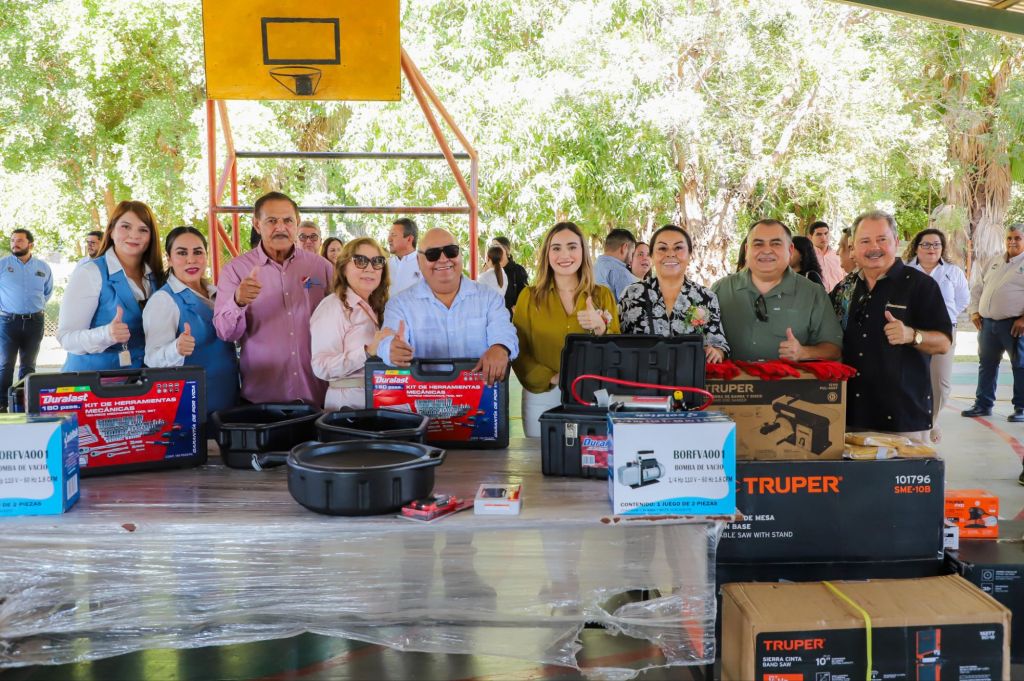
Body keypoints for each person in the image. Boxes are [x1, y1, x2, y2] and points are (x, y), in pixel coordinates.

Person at [830, 211, 952, 441]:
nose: (873, 247)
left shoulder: (920, 285)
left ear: (895, 242)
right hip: (851, 414)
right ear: (853, 247)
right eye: (865, 241)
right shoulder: (845, 288)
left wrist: (911, 335)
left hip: (903, 418)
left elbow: (944, 343)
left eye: (881, 239)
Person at [213, 191, 334, 406]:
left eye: (287, 220)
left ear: (297, 222)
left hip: (318, 395)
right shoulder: (236, 270)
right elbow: (225, 333)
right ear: (257, 224)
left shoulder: (321, 268)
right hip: (262, 400)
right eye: (271, 221)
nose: (280, 228)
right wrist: (237, 302)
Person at [512, 222, 619, 437]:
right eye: (556, 248)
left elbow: (617, 352)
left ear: (583, 252)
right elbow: (518, 351)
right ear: (547, 254)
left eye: (572, 247)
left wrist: (601, 328)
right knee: (539, 455)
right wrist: (554, 377)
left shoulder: (602, 295)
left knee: (590, 454)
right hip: (542, 395)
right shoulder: (529, 297)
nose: (564, 255)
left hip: (593, 396)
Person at [376, 228, 518, 386]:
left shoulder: (490, 298)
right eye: (432, 254)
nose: (443, 259)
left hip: (480, 396)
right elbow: (386, 341)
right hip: (423, 398)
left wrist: (500, 347)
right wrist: (391, 349)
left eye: (451, 251)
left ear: (460, 255)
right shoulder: (399, 304)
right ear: (418, 260)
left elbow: (505, 332)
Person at [712, 220, 842, 362]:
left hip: (790, 376)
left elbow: (834, 348)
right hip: (731, 376)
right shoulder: (720, 290)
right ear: (747, 250)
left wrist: (803, 352)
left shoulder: (813, 293)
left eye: (776, 244)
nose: (766, 251)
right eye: (758, 244)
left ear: (790, 250)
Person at [143, 227, 239, 415]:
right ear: (169, 259)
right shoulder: (164, 300)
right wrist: (176, 349)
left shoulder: (218, 293)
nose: (191, 259)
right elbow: (152, 359)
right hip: (192, 410)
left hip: (229, 402)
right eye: (182, 253)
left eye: (197, 252)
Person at [58, 200, 164, 370]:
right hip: (92, 381)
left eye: (143, 230)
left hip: (140, 380)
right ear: (111, 231)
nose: (134, 235)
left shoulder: (156, 277)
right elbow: (66, 338)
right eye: (126, 227)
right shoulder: (90, 273)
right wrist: (106, 334)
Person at [618, 224, 728, 361]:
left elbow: (719, 344)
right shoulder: (631, 294)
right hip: (641, 373)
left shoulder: (706, 297)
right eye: (662, 248)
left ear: (689, 255)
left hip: (689, 373)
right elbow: (615, 340)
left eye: (678, 248)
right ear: (652, 256)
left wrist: (716, 352)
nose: (670, 254)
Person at [310, 238, 393, 410]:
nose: (369, 268)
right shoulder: (333, 307)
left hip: (381, 403)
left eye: (377, 261)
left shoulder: (379, 306)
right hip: (348, 410)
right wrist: (366, 352)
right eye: (360, 261)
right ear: (343, 267)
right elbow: (321, 367)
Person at [905, 228, 969, 441]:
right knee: (913, 378)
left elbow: (963, 299)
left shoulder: (953, 272)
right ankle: (920, 422)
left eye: (936, 244)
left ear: (942, 248)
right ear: (916, 247)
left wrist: (944, 317)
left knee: (941, 384)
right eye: (926, 244)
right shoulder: (906, 271)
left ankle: (932, 420)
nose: (931, 248)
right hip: (911, 333)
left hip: (943, 333)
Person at [962, 223, 1024, 425]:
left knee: (1020, 366)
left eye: (1017, 238)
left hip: (1014, 325)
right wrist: (974, 311)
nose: (1012, 241)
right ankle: (983, 404)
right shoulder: (995, 261)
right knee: (986, 364)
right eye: (1009, 238)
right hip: (987, 325)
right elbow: (978, 288)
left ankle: (1022, 408)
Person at [0, 229, 53, 412]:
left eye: (20, 240)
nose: (15, 244)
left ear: (31, 244)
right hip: (8, 322)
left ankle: (23, 405)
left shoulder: (43, 267)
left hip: (34, 322)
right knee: (5, 364)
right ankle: (2, 404)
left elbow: (47, 292)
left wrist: (33, 308)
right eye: (13, 240)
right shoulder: (3, 265)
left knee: (28, 366)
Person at [594, 228, 639, 301]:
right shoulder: (621, 273)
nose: (631, 259)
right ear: (624, 247)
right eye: (632, 253)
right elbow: (633, 305)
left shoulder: (592, 267)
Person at [491, 236, 529, 313]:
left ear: (506, 249)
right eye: (492, 246)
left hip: (512, 317)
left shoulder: (517, 270)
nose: (493, 249)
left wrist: (518, 307)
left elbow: (525, 295)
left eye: (496, 246)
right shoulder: (490, 269)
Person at [387, 217, 422, 295]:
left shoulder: (425, 264)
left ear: (409, 239)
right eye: (389, 234)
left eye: (393, 235)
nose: (389, 239)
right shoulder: (385, 264)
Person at [807, 221, 844, 291]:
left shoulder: (838, 255)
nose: (823, 237)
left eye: (826, 233)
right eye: (819, 234)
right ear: (810, 237)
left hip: (838, 296)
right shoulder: (807, 257)